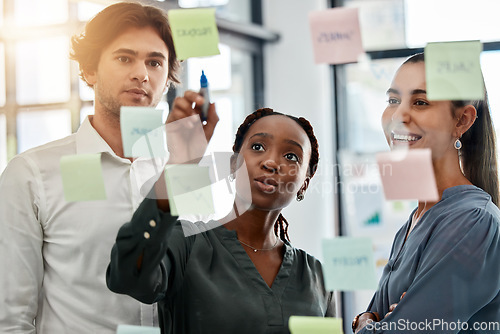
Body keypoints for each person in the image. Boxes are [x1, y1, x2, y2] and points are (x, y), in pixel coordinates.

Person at [0, 2, 217, 333]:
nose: (141, 74)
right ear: (89, 70)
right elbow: (11, 315)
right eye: (124, 58)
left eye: (155, 62)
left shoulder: (185, 171)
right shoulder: (32, 173)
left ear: (168, 78)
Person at [106, 108, 335, 334]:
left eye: (291, 156)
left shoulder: (316, 277)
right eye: (257, 147)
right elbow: (126, 276)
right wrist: (175, 170)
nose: (271, 162)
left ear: (304, 182)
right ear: (234, 163)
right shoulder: (186, 245)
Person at [352, 53, 500, 333]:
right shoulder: (415, 220)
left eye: (420, 102)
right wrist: (372, 320)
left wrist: (365, 323)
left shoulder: (472, 221)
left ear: (462, 121)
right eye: (393, 100)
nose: (398, 116)